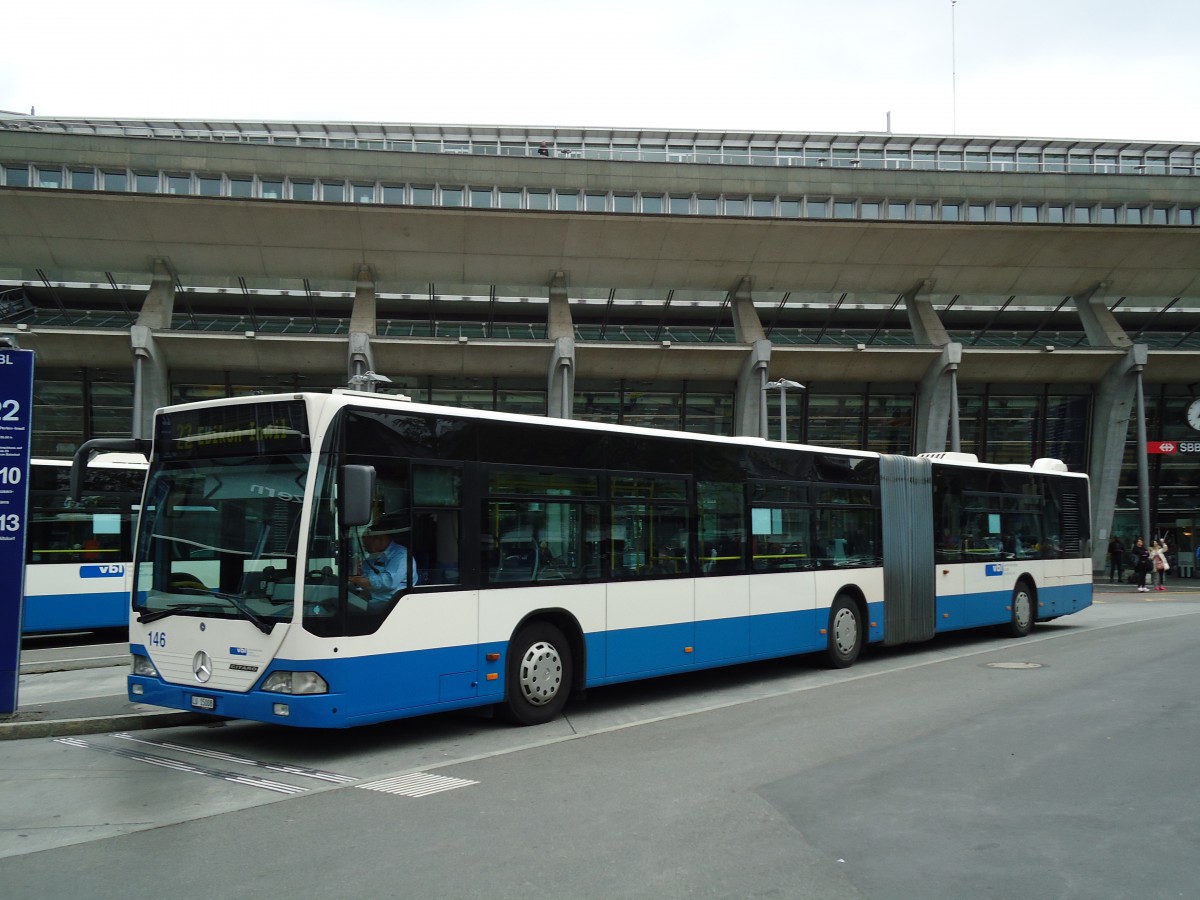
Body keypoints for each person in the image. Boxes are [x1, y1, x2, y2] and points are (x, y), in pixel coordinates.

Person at [348, 515, 416, 608]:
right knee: (335, 602)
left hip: (390, 604)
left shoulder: (401, 555)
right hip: (370, 598)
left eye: (368, 546)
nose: (367, 550)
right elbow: (365, 577)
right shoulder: (374, 555)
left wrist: (354, 579)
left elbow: (388, 583)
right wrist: (357, 578)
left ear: (380, 539)